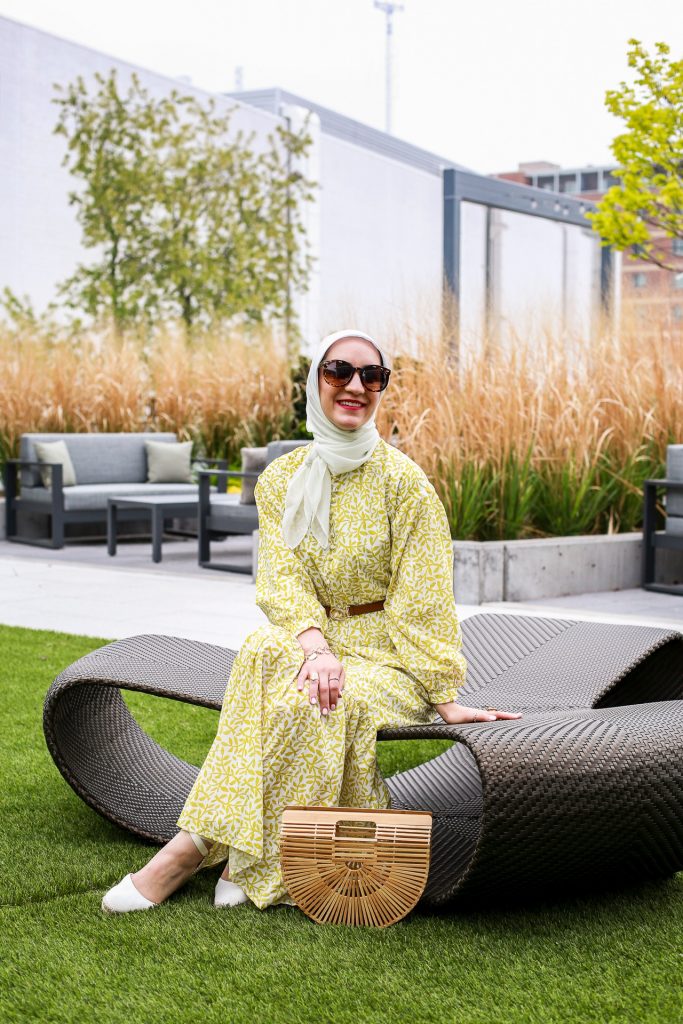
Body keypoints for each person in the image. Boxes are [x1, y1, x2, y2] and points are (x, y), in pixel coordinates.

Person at [102, 329, 521, 914]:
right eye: (338, 371)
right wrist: (316, 648)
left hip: (389, 657)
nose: (355, 386)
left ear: (382, 388)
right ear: (315, 380)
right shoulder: (283, 477)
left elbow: (424, 599)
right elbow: (281, 577)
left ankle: (194, 850)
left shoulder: (405, 484)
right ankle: (232, 851)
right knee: (261, 651)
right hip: (313, 638)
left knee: (316, 700)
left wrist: (444, 695)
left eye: (372, 376)